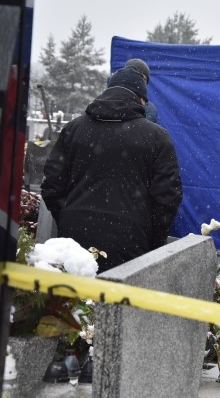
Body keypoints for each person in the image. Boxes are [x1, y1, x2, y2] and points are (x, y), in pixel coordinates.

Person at [41, 66, 183, 272]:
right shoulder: (157, 137)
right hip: (130, 242)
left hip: (74, 240)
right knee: (117, 303)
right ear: (141, 99)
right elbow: (167, 198)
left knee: (71, 302)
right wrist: (151, 239)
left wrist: (67, 217)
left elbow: (52, 185)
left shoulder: (74, 129)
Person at [125, 58, 159, 123]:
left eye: (143, 79)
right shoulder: (111, 101)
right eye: (136, 76)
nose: (140, 81)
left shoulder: (149, 108)